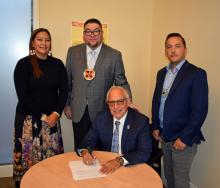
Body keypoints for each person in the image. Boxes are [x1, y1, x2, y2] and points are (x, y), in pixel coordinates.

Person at [64, 18, 131, 150]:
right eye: (88, 31)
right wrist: (67, 104)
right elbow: (67, 81)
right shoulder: (72, 52)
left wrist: (127, 102)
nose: (92, 35)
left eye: (96, 31)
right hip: (78, 110)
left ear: (102, 34)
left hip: (103, 111)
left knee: (101, 151)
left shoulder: (114, 55)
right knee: (80, 149)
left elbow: (121, 82)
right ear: (83, 35)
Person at [152, 33, 208, 188]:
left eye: (177, 46)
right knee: (169, 177)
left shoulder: (196, 74)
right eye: (169, 47)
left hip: (183, 138)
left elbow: (200, 111)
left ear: (185, 49)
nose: (173, 50)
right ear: (165, 51)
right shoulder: (161, 73)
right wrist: (156, 126)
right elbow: (157, 101)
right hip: (165, 136)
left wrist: (184, 138)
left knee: (180, 181)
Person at [13, 28, 68, 188]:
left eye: (47, 40)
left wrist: (56, 113)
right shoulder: (23, 64)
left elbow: (64, 91)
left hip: (52, 121)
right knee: (28, 162)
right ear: (33, 42)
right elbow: (22, 95)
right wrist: (44, 117)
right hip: (28, 122)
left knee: (51, 162)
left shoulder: (57, 64)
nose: (44, 43)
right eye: (39, 39)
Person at [78, 86, 152, 174]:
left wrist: (119, 161)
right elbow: (87, 141)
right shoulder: (101, 118)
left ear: (128, 102)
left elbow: (144, 152)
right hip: (105, 166)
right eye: (111, 103)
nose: (115, 107)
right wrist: (85, 152)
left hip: (129, 167)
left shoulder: (140, 121)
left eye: (120, 102)